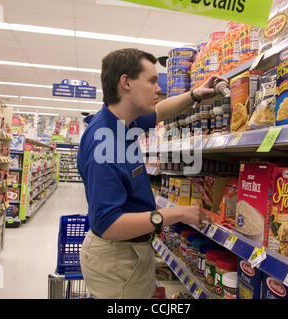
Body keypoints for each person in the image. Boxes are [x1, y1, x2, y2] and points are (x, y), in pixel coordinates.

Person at [78, 48, 228, 299]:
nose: (159, 88)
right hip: (118, 260)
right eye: (152, 81)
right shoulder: (103, 144)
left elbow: (160, 112)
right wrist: (176, 213)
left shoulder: (123, 122)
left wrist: (194, 95)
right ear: (126, 83)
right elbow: (109, 225)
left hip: (128, 254)